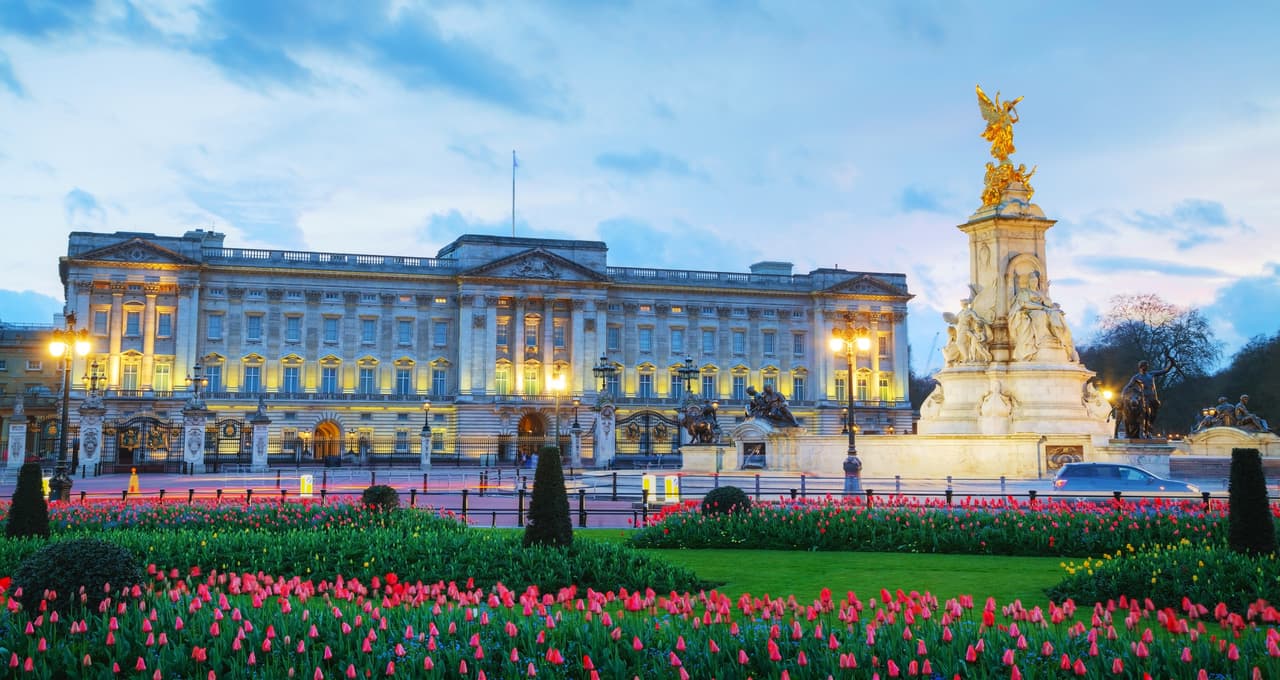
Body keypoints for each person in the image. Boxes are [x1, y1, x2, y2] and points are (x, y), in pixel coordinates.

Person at [1121, 359, 1174, 438]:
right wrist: (1123, 393)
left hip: (1153, 397)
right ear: (1141, 367)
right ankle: (1145, 432)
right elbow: (1128, 386)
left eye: (1147, 366)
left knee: (1153, 415)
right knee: (1146, 414)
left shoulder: (1151, 374)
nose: (1147, 367)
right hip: (1144, 398)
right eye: (1145, 366)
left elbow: (1164, 371)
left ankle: (1149, 428)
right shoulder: (1136, 377)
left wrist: (1171, 364)